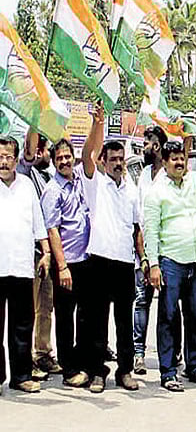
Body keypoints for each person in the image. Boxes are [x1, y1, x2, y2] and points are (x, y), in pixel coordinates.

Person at [143, 120, 196, 392]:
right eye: (174, 159)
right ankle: (167, 372)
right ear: (164, 162)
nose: (179, 163)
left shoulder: (192, 182)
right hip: (169, 263)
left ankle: (195, 367)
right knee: (168, 317)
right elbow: (150, 230)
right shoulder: (156, 192)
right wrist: (153, 264)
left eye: (182, 158)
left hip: (194, 262)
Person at [82, 109, 146, 393]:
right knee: (98, 319)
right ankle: (98, 373)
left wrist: (143, 258)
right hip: (99, 260)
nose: (119, 163)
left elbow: (137, 228)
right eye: (114, 159)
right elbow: (87, 155)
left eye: (122, 159)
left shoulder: (131, 190)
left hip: (124, 264)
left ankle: (125, 370)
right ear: (104, 162)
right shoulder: (96, 184)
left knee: (124, 320)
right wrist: (97, 124)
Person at [41, 113, 103, 388]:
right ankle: (69, 369)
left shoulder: (79, 177)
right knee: (66, 319)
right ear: (54, 162)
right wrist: (62, 266)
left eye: (68, 156)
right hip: (66, 264)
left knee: (87, 316)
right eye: (60, 159)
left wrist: (96, 124)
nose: (65, 161)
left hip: (87, 260)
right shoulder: (52, 190)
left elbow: (91, 150)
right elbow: (52, 230)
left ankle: (86, 363)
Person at [0, 134, 51, 394]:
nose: (4, 162)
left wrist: (46, 251)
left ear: (16, 159)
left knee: (22, 324)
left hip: (21, 265)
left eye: (8, 157)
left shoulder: (27, 186)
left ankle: (20, 376)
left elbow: (38, 222)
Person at [133, 125, 181, 375]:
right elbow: (139, 220)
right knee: (141, 301)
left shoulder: (172, 176)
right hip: (144, 249)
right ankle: (139, 354)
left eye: (148, 141)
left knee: (170, 305)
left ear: (159, 146)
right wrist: (143, 256)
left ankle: (174, 353)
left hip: (169, 251)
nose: (144, 146)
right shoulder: (142, 175)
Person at [17, 130, 59, 381]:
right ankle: (26, 360)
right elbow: (29, 152)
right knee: (29, 309)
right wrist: (35, 118)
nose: (43, 154)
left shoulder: (50, 178)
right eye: (40, 149)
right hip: (31, 252)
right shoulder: (25, 172)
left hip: (48, 253)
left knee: (46, 307)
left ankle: (43, 352)